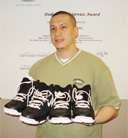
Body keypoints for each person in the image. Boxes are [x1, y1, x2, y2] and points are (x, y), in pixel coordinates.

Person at [28, 11, 120, 138]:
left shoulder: (96, 65)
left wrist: (91, 119)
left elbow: (112, 107)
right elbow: (30, 107)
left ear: (75, 31)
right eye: (53, 28)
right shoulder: (37, 67)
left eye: (63, 27)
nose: (57, 32)